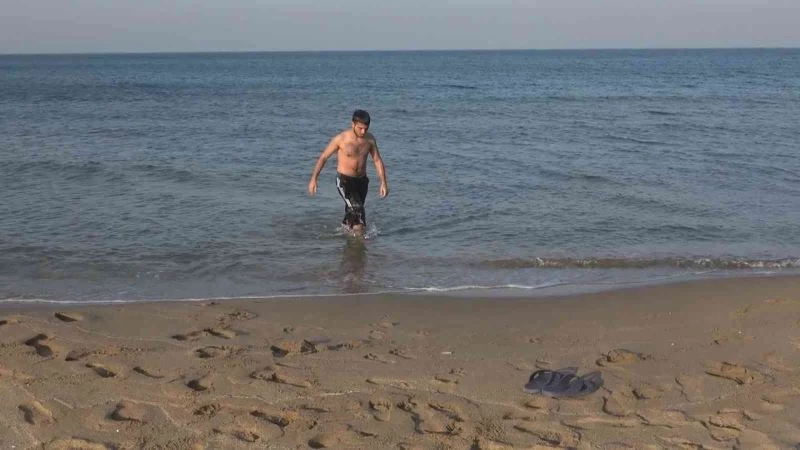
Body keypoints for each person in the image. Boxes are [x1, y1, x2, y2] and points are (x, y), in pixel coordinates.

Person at [308, 109, 389, 235]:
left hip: (362, 182)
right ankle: (360, 241)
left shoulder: (370, 139)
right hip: (344, 181)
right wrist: (314, 179)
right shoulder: (341, 139)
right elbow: (323, 157)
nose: (363, 132)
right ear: (353, 124)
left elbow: (377, 160)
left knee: (352, 212)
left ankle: (345, 236)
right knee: (358, 211)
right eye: (360, 128)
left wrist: (383, 182)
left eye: (366, 129)